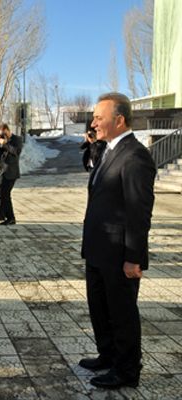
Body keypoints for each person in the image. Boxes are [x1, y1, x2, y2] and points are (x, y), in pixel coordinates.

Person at [80, 92, 156, 389]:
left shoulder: (135, 156)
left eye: (99, 117)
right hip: (99, 249)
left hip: (120, 254)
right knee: (100, 308)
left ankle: (126, 370)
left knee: (122, 312)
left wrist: (133, 258)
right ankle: (108, 355)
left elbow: (139, 212)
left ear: (119, 119)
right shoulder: (110, 149)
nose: (93, 122)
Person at [0, 123, 22, 225]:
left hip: (11, 171)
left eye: (4, 133)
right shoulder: (1, 140)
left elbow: (16, 152)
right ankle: (1, 213)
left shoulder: (16, 139)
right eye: (1, 134)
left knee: (5, 195)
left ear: (8, 131)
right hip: (2, 171)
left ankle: (11, 218)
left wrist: (5, 143)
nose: (3, 135)